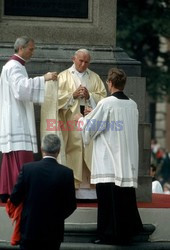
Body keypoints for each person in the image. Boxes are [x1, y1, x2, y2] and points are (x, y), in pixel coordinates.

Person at [75, 68, 143, 244]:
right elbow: (116, 125)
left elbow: (91, 128)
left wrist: (82, 120)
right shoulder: (132, 104)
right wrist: (94, 114)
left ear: (110, 83)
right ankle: (126, 234)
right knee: (123, 199)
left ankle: (107, 235)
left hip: (109, 160)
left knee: (107, 201)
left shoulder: (106, 103)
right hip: (126, 160)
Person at [0, 36, 58, 203]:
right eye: (31, 49)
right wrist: (44, 78)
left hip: (14, 115)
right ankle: (19, 191)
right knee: (21, 154)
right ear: (21, 48)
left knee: (12, 155)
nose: (33, 52)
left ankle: (8, 190)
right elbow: (20, 89)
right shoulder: (14, 66)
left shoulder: (14, 66)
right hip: (17, 118)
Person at [8, 134, 77, 250]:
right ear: (59, 150)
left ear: (41, 149)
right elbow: (71, 205)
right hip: (53, 232)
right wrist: (57, 216)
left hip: (29, 229)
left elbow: (15, 197)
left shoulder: (27, 169)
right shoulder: (67, 173)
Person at [57, 49, 107, 196]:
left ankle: (90, 191)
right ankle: (74, 187)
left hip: (89, 121)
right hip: (70, 121)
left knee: (90, 149)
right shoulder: (63, 76)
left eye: (86, 62)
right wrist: (72, 95)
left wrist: (89, 96)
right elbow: (54, 98)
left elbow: (104, 98)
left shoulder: (95, 78)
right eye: (81, 61)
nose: (83, 64)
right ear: (74, 59)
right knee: (74, 149)